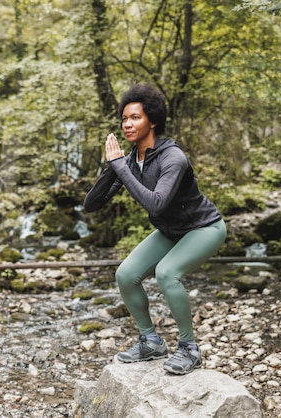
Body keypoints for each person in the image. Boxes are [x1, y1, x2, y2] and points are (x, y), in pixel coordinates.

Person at [83, 83, 227, 375]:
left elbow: (157, 204)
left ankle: (189, 348)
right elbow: (92, 205)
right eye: (124, 118)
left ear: (153, 121)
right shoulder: (130, 161)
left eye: (135, 117)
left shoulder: (173, 158)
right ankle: (150, 340)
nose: (127, 124)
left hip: (204, 228)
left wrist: (120, 168)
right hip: (171, 231)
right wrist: (112, 167)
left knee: (167, 273)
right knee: (125, 274)